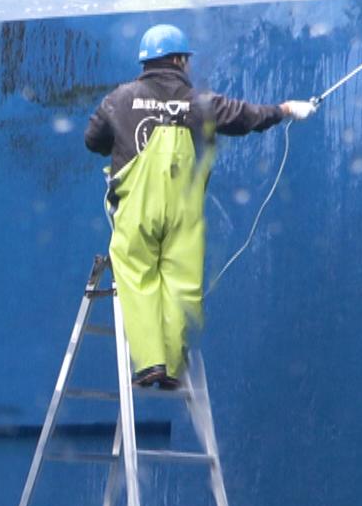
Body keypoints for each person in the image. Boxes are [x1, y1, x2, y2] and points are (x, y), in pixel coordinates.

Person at [83, 24, 316, 388]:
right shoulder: (197, 102)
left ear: (147, 60)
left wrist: (123, 137)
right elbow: (245, 117)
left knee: (136, 273)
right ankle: (173, 367)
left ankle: (150, 363)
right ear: (178, 60)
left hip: (138, 208)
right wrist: (284, 109)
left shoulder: (120, 98)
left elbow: (92, 140)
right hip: (183, 210)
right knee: (181, 282)